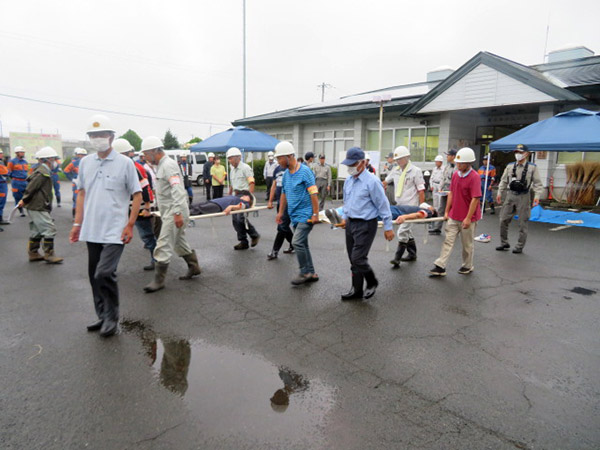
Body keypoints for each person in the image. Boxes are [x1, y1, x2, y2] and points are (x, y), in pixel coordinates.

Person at [69, 114, 142, 338]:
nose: (97, 138)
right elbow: (81, 194)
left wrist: (130, 224)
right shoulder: (86, 163)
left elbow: (137, 194)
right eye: (93, 135)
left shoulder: (125, 163)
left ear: (111, 137)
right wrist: (77, 223)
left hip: (115, 230)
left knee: (104, 272)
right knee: (93, 275)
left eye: (102, 135)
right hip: (92, 229)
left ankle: (112, 317)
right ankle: (101, 315)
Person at [140, 136, 201, 293]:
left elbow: (177, 190)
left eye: (146, 154)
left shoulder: (168, 165)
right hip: (170, 211)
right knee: (178, 242)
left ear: (155, 151)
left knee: (164, 243)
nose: (145, 157)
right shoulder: (161, 166)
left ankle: (158, 281)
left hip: (175, 212)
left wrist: (178, 213)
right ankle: (194, 267)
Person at [336, 147, 394, 300]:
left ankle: (372, 281)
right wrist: (344, 218)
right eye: (348, 164)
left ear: (362, 163)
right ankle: (356, 290)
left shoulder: (373, 181)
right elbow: (347, 202)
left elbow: (383, 205)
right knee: (352, 259)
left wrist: (388, 227)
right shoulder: (348, 180)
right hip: (350, 223)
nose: (350, 168)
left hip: (366, 224)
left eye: (353, 164)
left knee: (358, 258)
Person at [429, 147, 481, 277]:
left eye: (460, 163)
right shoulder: (456, 174)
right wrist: (447, 211)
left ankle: (467, 265)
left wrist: (468, 218)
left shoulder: (475, 177)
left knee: (466, 245)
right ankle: (440, 266)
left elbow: (475, 199)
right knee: (448, 241)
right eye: (457, 163)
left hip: (469, 217)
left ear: (468, 163)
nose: (457, 165)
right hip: (454, 215)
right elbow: (451, 193)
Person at [274, 141, 320, 285]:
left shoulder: (305, 171)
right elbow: (284, 193)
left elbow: (313, 193)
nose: (278, 161)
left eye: (279, 158)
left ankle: (304, 272)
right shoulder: (286, 174)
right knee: (303, 244)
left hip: (306, 214)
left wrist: (315, 214)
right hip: (294, 215)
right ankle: (312, 273)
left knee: (297, 242)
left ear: (288, 156)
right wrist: (280, 212)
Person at [113, 138, 157, 271]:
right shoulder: (119, 166)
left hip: (139, 205)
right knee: (117, 237)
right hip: (125, 206)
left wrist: (148, 205)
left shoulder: (133, 167)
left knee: (146, 234)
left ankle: (157, 259)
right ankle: (111, 265)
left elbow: (145, 187)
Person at [495, 144, 543, 254]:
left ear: (526, 154)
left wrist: (536, 196)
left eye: (520, 152)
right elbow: (503, 180)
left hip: (524, 196)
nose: (518, 155)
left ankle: (520, 245)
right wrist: (499, 192)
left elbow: (538, 184)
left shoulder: (532, 167)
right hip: (510, 194)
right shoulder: (510, 166)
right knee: (503, 219)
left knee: (523, 222)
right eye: (516, 152)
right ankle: (504, 242)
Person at [18, 147, 63, 264]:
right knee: (49, 228)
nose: (56, 162)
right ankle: (49, 254)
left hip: (37, 205)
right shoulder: (42, 173)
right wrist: (24, 199)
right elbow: (31, 188)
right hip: (38, 205)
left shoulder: (44, 171)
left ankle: (33, 253)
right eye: (54, 159)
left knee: (37, 230)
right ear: (48, 159)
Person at [383, 146, 425, 268]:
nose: (398, 161)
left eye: (400, 159)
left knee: (402, 231)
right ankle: (412, 254)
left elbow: (421, 190)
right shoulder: (395, 170)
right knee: (407, 230)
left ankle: (397, 258)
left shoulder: (416, 171)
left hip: (411, 206)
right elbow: (385, 181)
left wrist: (421, 207)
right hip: (400, 206)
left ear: (407, 157)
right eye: (397, 159)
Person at [227, 147, 260, 250]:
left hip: (244, 195)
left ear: (238, 157)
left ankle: (254, 235)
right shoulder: (232, 170)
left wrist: (250, 197)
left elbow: (251, 182)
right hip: (235, 196)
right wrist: (229, 195)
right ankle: (243, 241)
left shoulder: (245, 168)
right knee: (235, 220)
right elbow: (233, 185)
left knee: (240, 219)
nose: (229, 161)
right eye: (228, 159)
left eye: (231, 158)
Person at [266, 161, 294, 260]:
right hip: (279, 202)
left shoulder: (292, 169)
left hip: (289, 202)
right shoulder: (277, 169)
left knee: (281, 226)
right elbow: (273, 185)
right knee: (283, 225)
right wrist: (270, 201)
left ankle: (275, 251)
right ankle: (293, 244)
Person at [429, 149, 456, 235]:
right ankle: (437, 228)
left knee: (453, 211)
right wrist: (440, 188)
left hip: (453, 192)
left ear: (453, 156)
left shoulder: (457, 167)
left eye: (448, 155)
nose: (447, 157)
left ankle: (452, 230)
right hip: (445, 190)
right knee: (441, 208)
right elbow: (443, 178)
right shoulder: (447, 166)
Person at [190, 191, 255, 216]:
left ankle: (184, 214)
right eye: (245, 195)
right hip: (215, 201)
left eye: (247, 197)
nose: (245, 196)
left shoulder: (245, 203)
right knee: (195, 205)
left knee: (199, 209)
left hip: (219, 206)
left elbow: (241, 206)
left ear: (250, 201)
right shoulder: (237, 197)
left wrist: (231, 207)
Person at [64, 148, 87, 217]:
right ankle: (75, 216)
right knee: (76, 199)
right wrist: (72, 178)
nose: (82, 156)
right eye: (81, 155)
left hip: (85, 183)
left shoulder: (88, 162)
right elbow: (66, 171)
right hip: (76, 183)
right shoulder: (74, 163)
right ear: (77, 155)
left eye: (84, 155)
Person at [7, 146, 29, 217]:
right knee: (17, 197)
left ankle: (28, 209)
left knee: (27, 196)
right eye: (21, 152)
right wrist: (14, 178)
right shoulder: (12, 162)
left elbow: (26, 172)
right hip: (16, 182)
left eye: (23, 152)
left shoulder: (25, 162)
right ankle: (21, 211)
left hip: (24, 182)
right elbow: (9, 172)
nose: (22, 154)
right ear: (17, 153)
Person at [0, 149, 9, 224]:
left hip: (3, 184)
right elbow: (5, 172)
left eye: (2, 153)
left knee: (2, 202)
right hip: (1, 184)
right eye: (0, 154)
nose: (2, 155)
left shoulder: (2, 162)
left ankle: (0, 219)